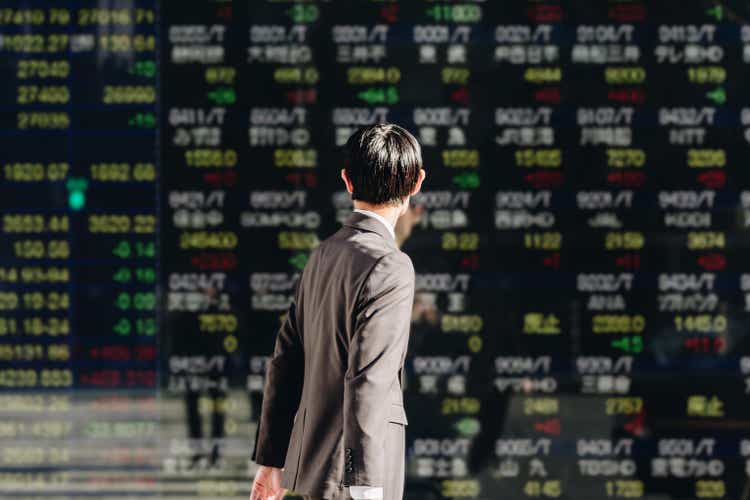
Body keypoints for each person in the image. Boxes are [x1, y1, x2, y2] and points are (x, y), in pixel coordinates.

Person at [249, 123, 426, 500]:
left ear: (347, 181)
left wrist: (271, 461)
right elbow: (369, 382)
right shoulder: (392, 266)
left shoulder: (322, 255)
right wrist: (366, 488)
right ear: (416, 183)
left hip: (312, 472)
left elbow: (285, 362)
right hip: (354, 483)